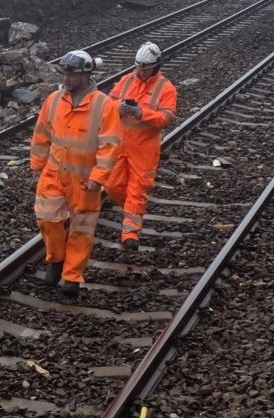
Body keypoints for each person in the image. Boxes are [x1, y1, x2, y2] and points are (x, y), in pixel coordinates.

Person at [30, 50, 121, 298]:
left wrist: (98, 177)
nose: (67, 78)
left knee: (82, 229)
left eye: (72, 74)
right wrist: (37, 165)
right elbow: (41, 133)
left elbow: (109, 144)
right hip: (54, 173)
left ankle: (71, 277)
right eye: (65, 73)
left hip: (85, 180)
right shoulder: (54, 100)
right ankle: (55, 260)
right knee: (47, 219)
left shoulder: (104, 105)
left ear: (85, 75)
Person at [104, 42, 177, 251]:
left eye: (145, 67)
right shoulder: (127, 80)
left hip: (144, 149)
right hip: (120, 143)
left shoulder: (166, 88)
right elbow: (109, 104)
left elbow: (166, 117)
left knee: (137, 189)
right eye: (138, 66)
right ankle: (132, 209)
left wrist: (141, 113)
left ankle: (130, 235)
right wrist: (120, 107)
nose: (140, 71)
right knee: (112, 185)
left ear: (155, 66)